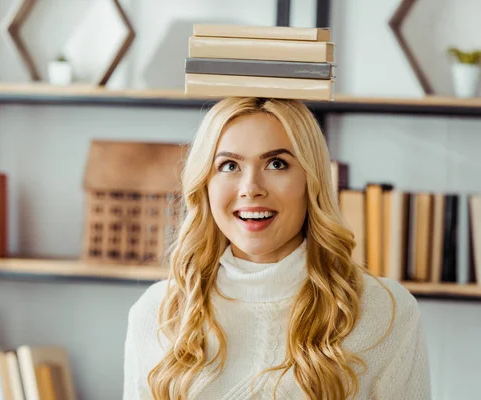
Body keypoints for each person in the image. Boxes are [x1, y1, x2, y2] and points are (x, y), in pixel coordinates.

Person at [123, 97, 432, 400]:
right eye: (229, 165)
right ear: (205, 183)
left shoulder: (385, 311)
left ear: (312, 182)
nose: (251, 188)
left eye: (276, 164)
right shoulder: (156, 313)